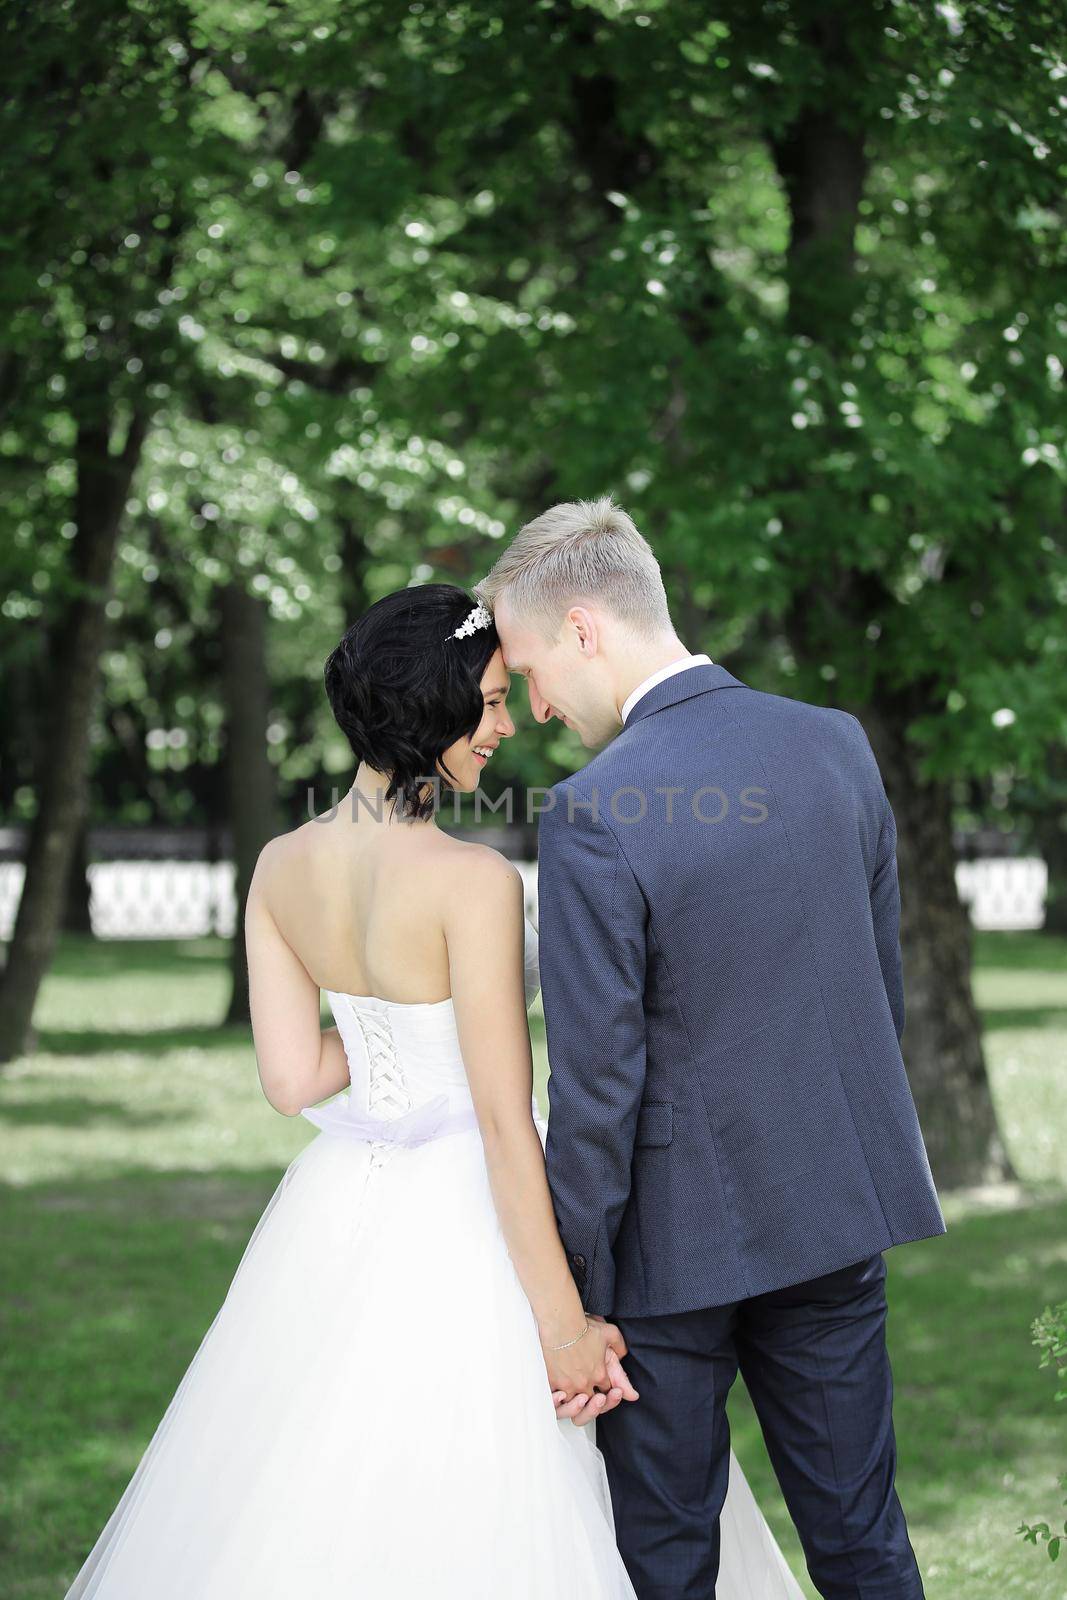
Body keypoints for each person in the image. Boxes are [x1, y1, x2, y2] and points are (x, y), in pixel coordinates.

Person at [62, 581, 803, 1598]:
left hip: (339, 1206)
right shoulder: (472, 882)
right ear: (433, 706)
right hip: (469, 1215)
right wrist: (563, 1325)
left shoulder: (280, 866)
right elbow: (505, 1123)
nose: (505, 726)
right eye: (491, 702)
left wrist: (384, 1033)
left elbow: (292, 1078)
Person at [477, 496, 948, 1599]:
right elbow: (868, 991)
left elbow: (597, 1087)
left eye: (533, 669)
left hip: (664, 1256)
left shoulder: (594, 810)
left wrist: (576, 1292)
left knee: (668, 1560)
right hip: (831, 1217)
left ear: (585, 628)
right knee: (862, 1539)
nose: (535, 706)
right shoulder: (835, 745)